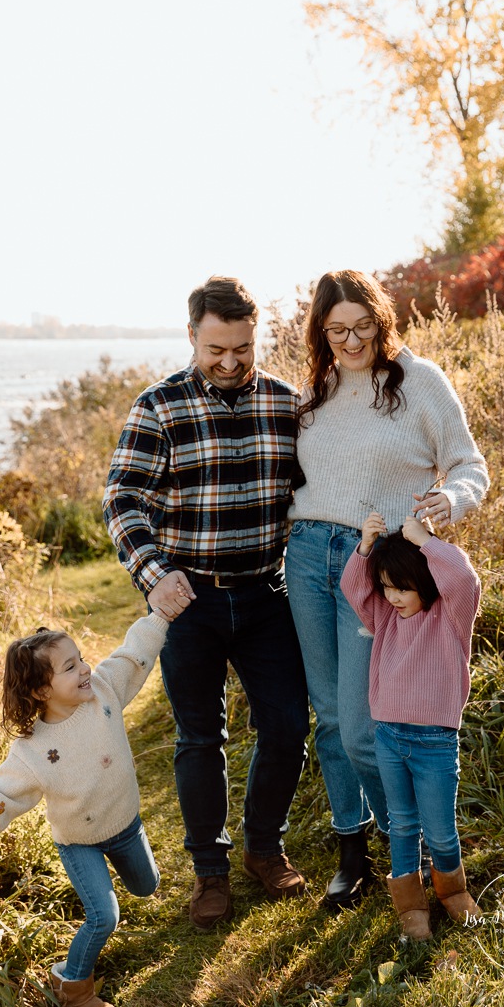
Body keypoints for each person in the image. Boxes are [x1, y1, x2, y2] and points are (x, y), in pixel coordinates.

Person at [102, 275, 310, 932]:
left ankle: (263, 847)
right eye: (215, 348)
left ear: (256, 338)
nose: (229, 362)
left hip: (265, 591)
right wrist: (153, 573)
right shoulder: (157, 407)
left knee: (284, 724)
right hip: (187, 594)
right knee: (199, 738)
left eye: (242, 348)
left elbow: (321, 487)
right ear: (192, 336)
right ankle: (209, 874)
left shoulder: (285, 403)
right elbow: (122, 499)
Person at [285, 269, 489, 909]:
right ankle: (354, 853)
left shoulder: (419, 381)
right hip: (308, 554)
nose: (350, 341)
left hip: (377, 565)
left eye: (362, 326)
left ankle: (419, 846)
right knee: (332, 715)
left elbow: (468, 463)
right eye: (336, 330)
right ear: (321, 331)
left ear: (382, 318)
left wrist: (445, 505)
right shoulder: (313, 393)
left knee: (367, 727)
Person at [0, 612, 169, 1007]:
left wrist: (162, 615)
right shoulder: (31, 751)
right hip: (79, 842)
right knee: (103, 916)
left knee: (147, 886)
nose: (85, 668)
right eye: (71, 667)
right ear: (42, 690)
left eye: (80, 658)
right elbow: (0, 795)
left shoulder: (103, 691)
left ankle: (130, 885)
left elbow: (132, 655)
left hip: (126, 825)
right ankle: (72, 986)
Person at [341, 512, 482, 939]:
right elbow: (354, 588)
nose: (393, 597)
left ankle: (453, 894)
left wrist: (424, 541)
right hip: (389, 738)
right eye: (386, 587)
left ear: (424, 582)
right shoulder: (383, 619)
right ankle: (410, 907)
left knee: (439, 831)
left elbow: (464, 579)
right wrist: (365, 547)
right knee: (401, 824)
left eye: (402, 587)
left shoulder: (450, 619)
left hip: (434, 744)